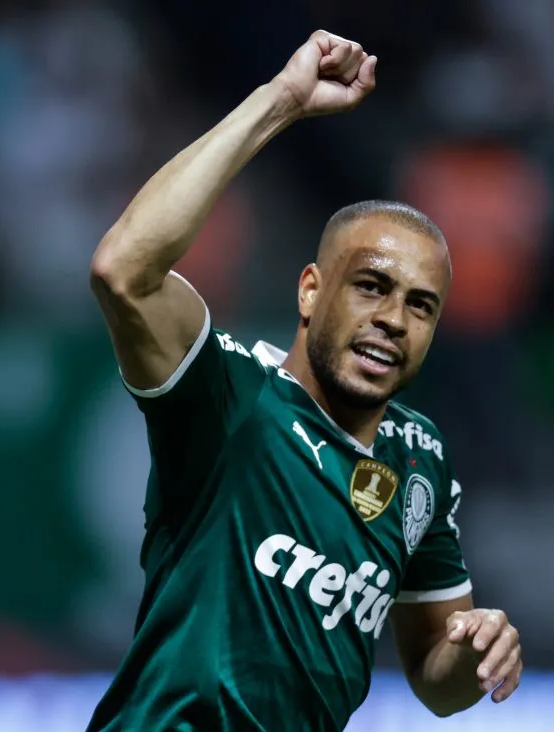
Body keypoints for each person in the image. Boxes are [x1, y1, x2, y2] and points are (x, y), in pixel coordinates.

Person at [87, 30, 522, 732]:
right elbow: (123, 269)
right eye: (372, 287)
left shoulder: (420, 458)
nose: (393, 320)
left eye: (420, 306)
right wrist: (281, 102)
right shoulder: (231, 396)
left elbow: (436, 683)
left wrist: (477, 654)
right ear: (311, 291)